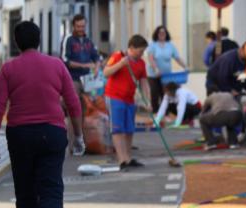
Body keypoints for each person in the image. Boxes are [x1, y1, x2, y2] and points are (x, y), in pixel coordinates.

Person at [0, 21, 84, 208]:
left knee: (25, 189)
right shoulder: (56, 65)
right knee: (51, 188)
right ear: (39, 40)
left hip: (20, 134)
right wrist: (79, 135)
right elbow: (73, 103)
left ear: (17, 43)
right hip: (52, 132)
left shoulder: (9, 69)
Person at [103, 34, 152, 170]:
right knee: (118, 129)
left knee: (129, 129)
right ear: (131, 47)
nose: (142, 54)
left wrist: (147, 101)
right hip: (114, 97)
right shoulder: (118, 56)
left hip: (129, 99)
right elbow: (106, 72)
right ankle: (122, 160)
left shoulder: (141, 63)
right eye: (140, 51)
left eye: (143, 51)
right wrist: (120, 64)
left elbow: (144, 83)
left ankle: (128, 158)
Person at [63, 14, 100, 116]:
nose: (81, 29)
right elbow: (65, 61)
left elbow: (96, 57)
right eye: (78, 26)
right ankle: (74, 132)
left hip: (88, 80)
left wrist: (96, 67)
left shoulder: (88, 40)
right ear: (73, 26)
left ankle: (85, 131)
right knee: (74, 109)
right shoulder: (68, 40)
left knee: (89, 108)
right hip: (74, 79)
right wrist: (84, 65)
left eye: (83, 26)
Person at [146, 26, 186, 113]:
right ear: (156, 34)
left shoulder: (170, 45)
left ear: (166, 34)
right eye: (160, 32)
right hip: (154, 75)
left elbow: (177, 57)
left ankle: (166, 114)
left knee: (166, 94)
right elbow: (151, 58)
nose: (162, 34)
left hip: (166, 76)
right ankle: (155, 114)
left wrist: (185, 66)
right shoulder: (153, 45)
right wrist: (156, 69)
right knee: (154, 94)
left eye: (163, 32)